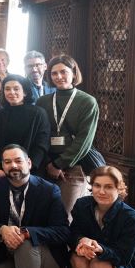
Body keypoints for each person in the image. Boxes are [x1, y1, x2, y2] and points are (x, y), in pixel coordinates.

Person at [36, 54, 100, 215]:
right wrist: (50, 164)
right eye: (54, 73)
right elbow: (39, 134)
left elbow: (84, 140)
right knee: (44, 213)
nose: (59, 77)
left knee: (65, 214)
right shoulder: (42, 101)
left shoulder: (87, 102)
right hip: (46, 166)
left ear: (73, 72)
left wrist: (59, 164)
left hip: (73, 167)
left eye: (63, 72)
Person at [0, 75, 50, 178]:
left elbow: (42, 144)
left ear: (25, 92)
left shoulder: (38, 113)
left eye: (16, 88)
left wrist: (26, 169)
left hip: (31, 172)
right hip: (1, 172)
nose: (11, 92)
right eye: (7, 89)